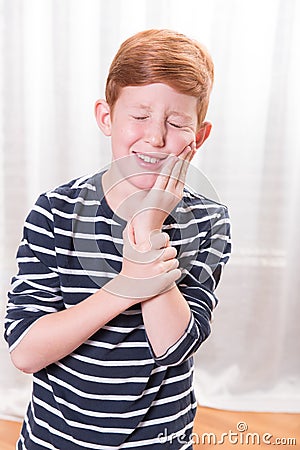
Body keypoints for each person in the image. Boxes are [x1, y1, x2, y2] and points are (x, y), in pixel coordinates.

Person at [4, 29, 231, 449]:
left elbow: (175, 346)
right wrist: (128, 285)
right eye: (140, 117)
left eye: (177, 122)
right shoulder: (56, 211)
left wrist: (147, 231)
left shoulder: (208, 220)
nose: (156, 137)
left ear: (199, 136)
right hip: (57, 439)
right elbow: (25, 351)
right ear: (107, 117)